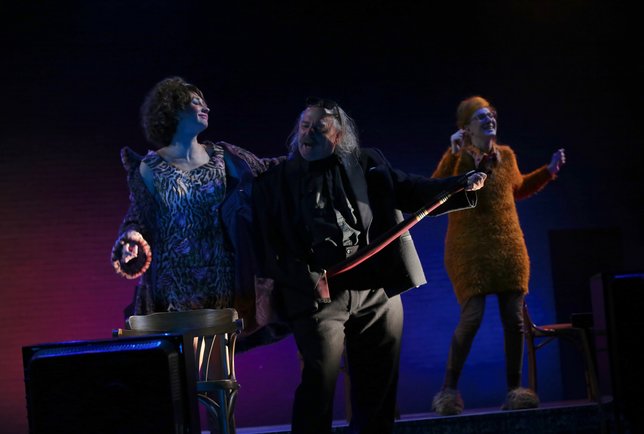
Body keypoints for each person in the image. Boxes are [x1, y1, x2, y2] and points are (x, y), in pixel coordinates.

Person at [252, 97, 487, 434]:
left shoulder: (367, 163)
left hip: (376, 290)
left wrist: (459, 184)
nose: (308, 133)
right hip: (320, 294)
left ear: (338, 136)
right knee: (319, 383)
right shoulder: (276, 181)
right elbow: (268, 245)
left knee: (377, 385)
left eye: (320, 128)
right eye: (304, 126)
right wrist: (306, 277)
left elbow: (411, 189)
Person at [111, 76, 281, 334]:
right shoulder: (150, 167)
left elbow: (269, 171)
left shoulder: (225, 157)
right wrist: (132, 239)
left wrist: (306, 158)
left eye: (204, 103)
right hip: (173, 286)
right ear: (173, 110)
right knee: (180, 355)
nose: (206, 107)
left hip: (221, 280)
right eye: (195, 102)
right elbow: (139, 215)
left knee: (219, 354)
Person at [430, 95, 566, 415]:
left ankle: (514, 390)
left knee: (514, 321)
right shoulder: (459, 158)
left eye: (491, 114)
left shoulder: (506, 156)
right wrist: (453, 153)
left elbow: (519, 187)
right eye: (481, 117)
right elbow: (436, 190)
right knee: (472, 318)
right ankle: (448, 392)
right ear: (466, 127)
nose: (489, 119)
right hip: (469, 251)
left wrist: (548, 171)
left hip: (508, 248)